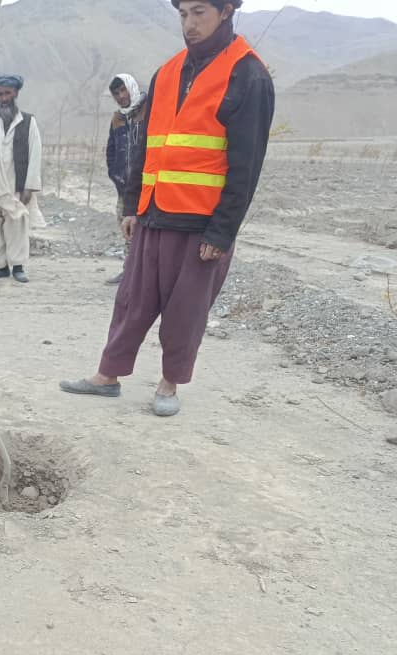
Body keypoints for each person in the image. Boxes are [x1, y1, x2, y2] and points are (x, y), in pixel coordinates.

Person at [60, 0, 273, 417]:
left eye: (199, 12)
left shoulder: (248, 75)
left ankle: (168, 384)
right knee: (131, 301)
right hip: (153, 213)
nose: (189, 24)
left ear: (226, 11)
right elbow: (146, 146)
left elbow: (246, 167)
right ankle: (107, 376)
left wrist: (222, 232)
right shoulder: (168, 72)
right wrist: (132, 204)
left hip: (200, 224)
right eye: (182, 14)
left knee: (185, 312)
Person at [0, 74, 43, 284]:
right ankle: (1, 267)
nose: (4, 98)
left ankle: (18, 267)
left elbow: (35, 154)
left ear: (15, 93)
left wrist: (30, 187)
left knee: (17, 226)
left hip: (17, 185)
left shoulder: (28, 122)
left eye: (7, 93)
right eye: (0, 94)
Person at [105, 74, 147, 285]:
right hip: (125, 187)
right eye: (116, 93)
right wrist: (116, 175)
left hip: (147, 186)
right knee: (127, 228)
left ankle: (144, 275)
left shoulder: (147, 111)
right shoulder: (117, 119)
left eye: (123, 90)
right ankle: (129, 272)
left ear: (131, 87)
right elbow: (111, 151)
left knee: (148, 231)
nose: (121, 96)